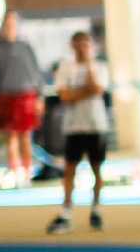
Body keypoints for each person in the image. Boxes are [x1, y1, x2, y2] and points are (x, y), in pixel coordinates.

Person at [47, 32, 111, 233]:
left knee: (97, 168)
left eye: (86, 44)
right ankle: (66, 211)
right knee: (69, 169)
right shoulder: (65, 67)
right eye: (78, 44)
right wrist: (85, 92)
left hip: (96, 124)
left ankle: (96, 209)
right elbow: (65, 95)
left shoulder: (99, 66)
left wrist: (83, 87)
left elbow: (98, 89)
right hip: (74, 126)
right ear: (72, 45)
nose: (82, 48)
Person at [0, 11, 43, 188]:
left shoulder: (26, 46)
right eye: (8, 23)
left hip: (26, 96)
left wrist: (39, 97)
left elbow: (35, 72)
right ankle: (15, 172)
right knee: (11, 137)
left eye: (14, 23)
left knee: (26, 136)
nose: (11, 26)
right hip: (6, 96)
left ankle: (27, 172)